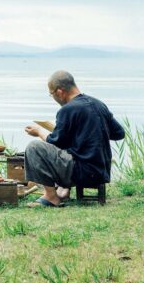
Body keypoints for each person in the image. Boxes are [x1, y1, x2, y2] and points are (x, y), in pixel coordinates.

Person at [23, 70, 125, 207]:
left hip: (83, 172)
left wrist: (39, 131)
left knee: (34, 147)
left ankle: (51, 197)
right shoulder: (99, 104)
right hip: (102, 171)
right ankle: (63, 190)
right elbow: (119, 133)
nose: (52, 97)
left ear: (59, 91)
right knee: (70, 145)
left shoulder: (68, 110)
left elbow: (55, 142)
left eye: (51, 94)